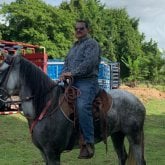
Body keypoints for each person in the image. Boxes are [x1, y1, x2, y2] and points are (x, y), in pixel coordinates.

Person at [60, 20, 101, 159]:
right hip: (72, 82)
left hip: (87, 81)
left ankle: (88, 142)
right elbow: (66, 62)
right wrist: (63, 73)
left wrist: (72, 73)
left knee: (82, 105)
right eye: (76, 28)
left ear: (87, 30)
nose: (78, 31)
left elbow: (89, 63)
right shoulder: (74, 47)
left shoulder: (92, 44)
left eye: (81, 28)